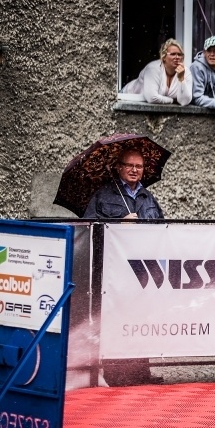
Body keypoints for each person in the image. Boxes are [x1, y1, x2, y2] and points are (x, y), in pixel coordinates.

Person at [83, 148, 164, 385]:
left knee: (141, 319)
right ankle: (115, 373)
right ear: (119, 167)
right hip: (113, 271)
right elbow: (88, 226)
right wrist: (118, 222)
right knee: (115, 319)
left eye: (139, 166)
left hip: (142, 271)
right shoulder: (103, 195)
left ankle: (141, 372)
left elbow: (163, 229)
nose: (134, 170)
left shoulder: (148, 198)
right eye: (129, 165)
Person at [121, 39, 193, 106]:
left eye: (180, 54)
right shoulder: (153, 68)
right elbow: (152, 97)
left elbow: (184, 101)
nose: (177, 57)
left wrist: (181, 79)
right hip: (126, 97)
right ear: (164, 57)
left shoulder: (185, 72)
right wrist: (171, 100)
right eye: (173, 54)